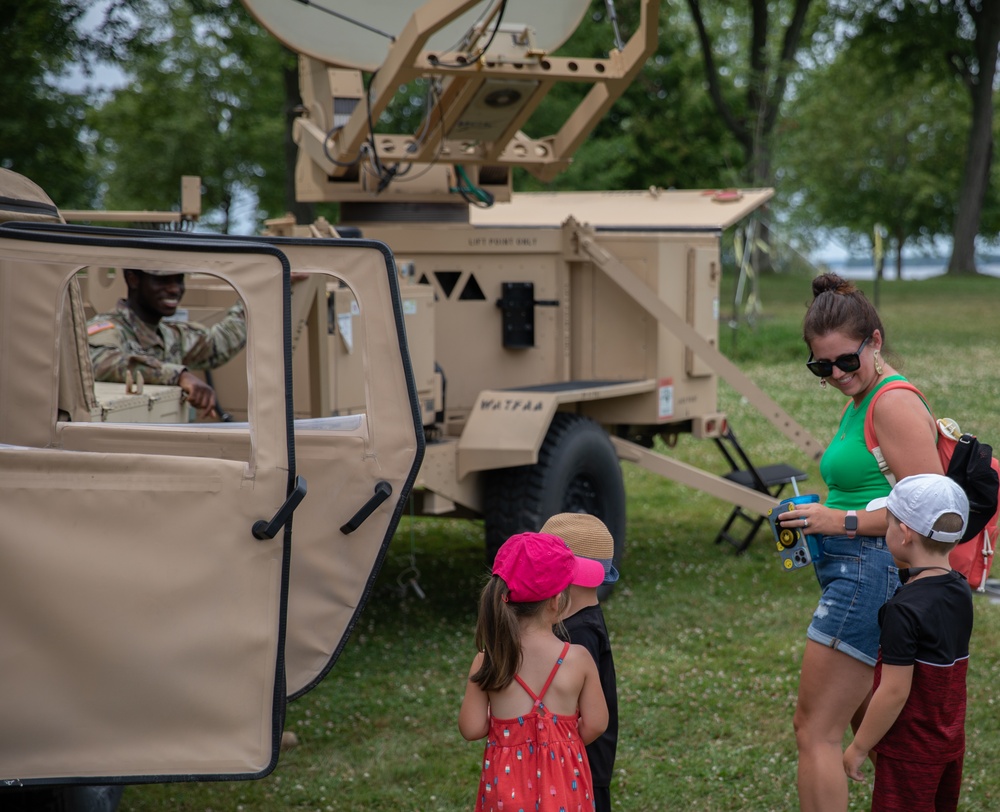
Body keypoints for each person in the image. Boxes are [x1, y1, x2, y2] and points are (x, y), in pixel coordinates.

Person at [777, 273, 944, 812]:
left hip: (867, 573)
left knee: (814, 730)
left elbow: (926, 513)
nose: (835, 375)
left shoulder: (891, 403)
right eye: (820, 367)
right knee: (855, 726)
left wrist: (838, 522)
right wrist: (820, 512)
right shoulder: (863, 394)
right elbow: (873, 488)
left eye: (846, 361)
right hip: (854, 571)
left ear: (874, 340)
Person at [843, 473, 973, 812]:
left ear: (904, 534)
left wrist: (859, 747)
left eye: (888, 524)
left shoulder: (903, 609)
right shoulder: (959, 588)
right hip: (948, 743)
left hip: (909, 753)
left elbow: (894, 691)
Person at [459, 532, 609, 812]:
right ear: (556, 601)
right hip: (566, 786)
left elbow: (471, 728)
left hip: (506, 791)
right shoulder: (577, 658)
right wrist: (562, 741)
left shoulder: (488, 660)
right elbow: (597, 722)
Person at [87, 268, 246, 418]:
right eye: (162, 280)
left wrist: (253, 296)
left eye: (179, 280)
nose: (174, 289)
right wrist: (179, 376)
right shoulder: (108, 329)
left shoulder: (169, 335)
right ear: (132, 279)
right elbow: (101, 363)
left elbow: (220, 344)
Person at [540, 512, 620, 812]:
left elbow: (586, 717)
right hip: (576, 763)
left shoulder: (579, 632)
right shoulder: (576, 621)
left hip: (581, 767)